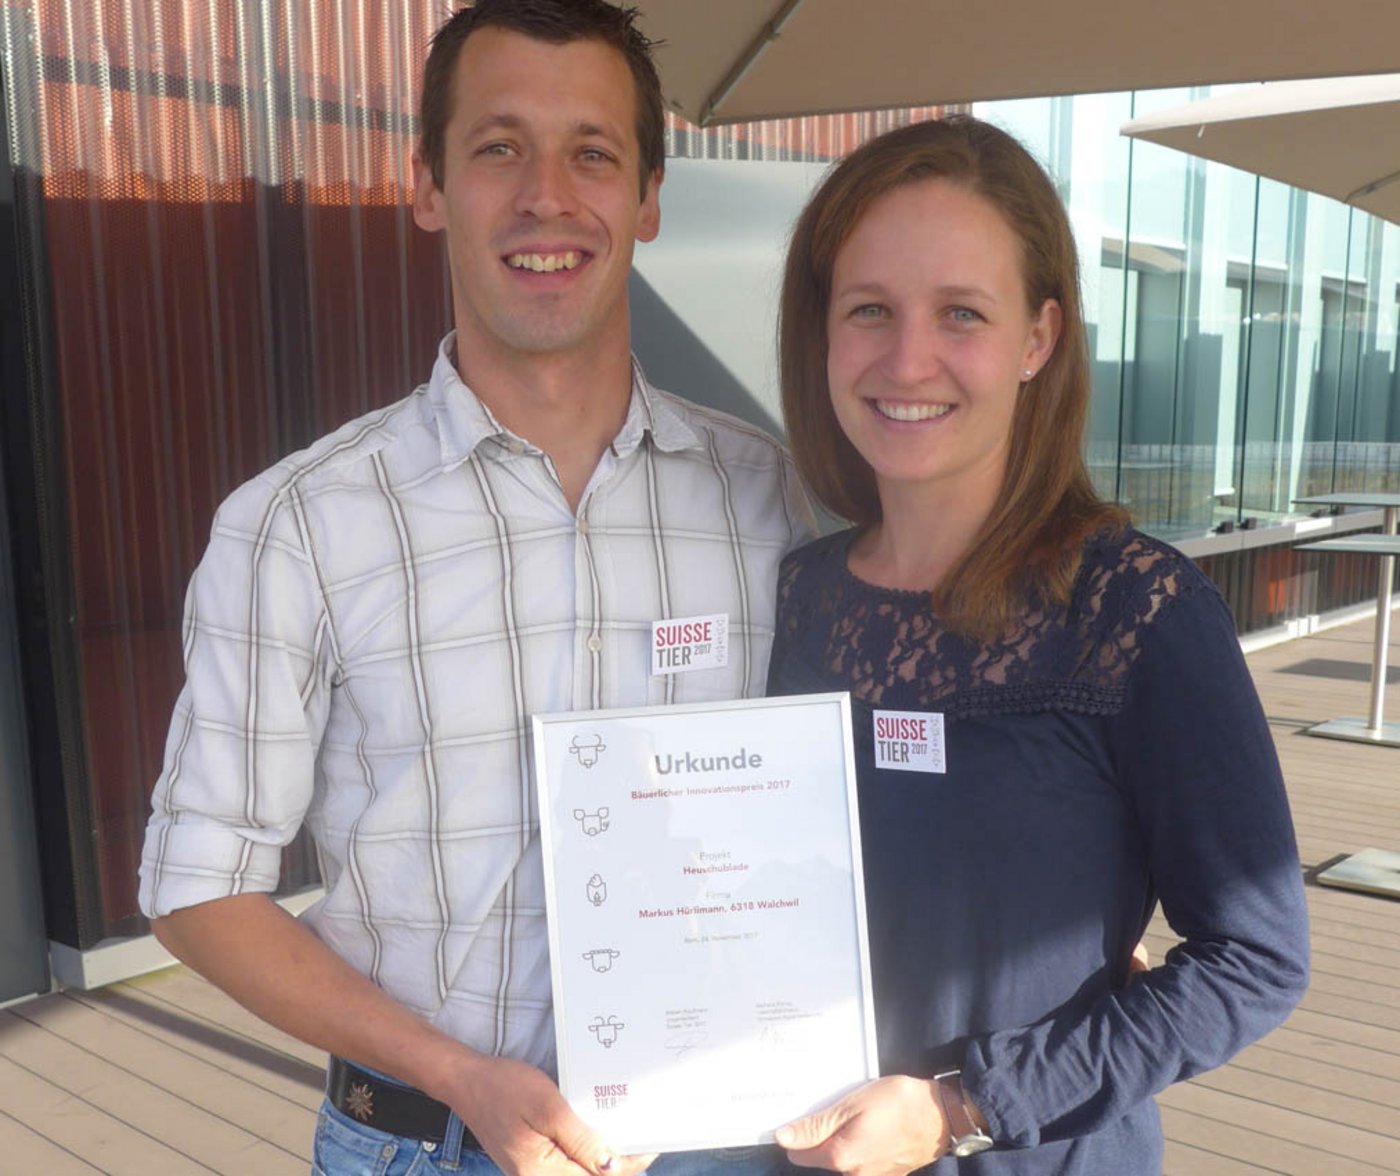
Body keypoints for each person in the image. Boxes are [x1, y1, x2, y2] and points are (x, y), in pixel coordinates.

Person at [137, 3, 811, 1175]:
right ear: (429, 185)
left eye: (592, 152)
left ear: (648, 198)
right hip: (422, 1144)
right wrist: (459, 1075)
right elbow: (198, 889)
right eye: (498, 146)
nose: (546, 195)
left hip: (728, 1139)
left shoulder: (774, 503)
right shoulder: (295, 527)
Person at [764, 115, 1309, 1175]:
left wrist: (958, 1105)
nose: (906, 358)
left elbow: (1255, 959)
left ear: (1036, 339)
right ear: (820, 333)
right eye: (867, 308)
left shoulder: (1132, 607)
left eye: (959, 313)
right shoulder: (801, 595)